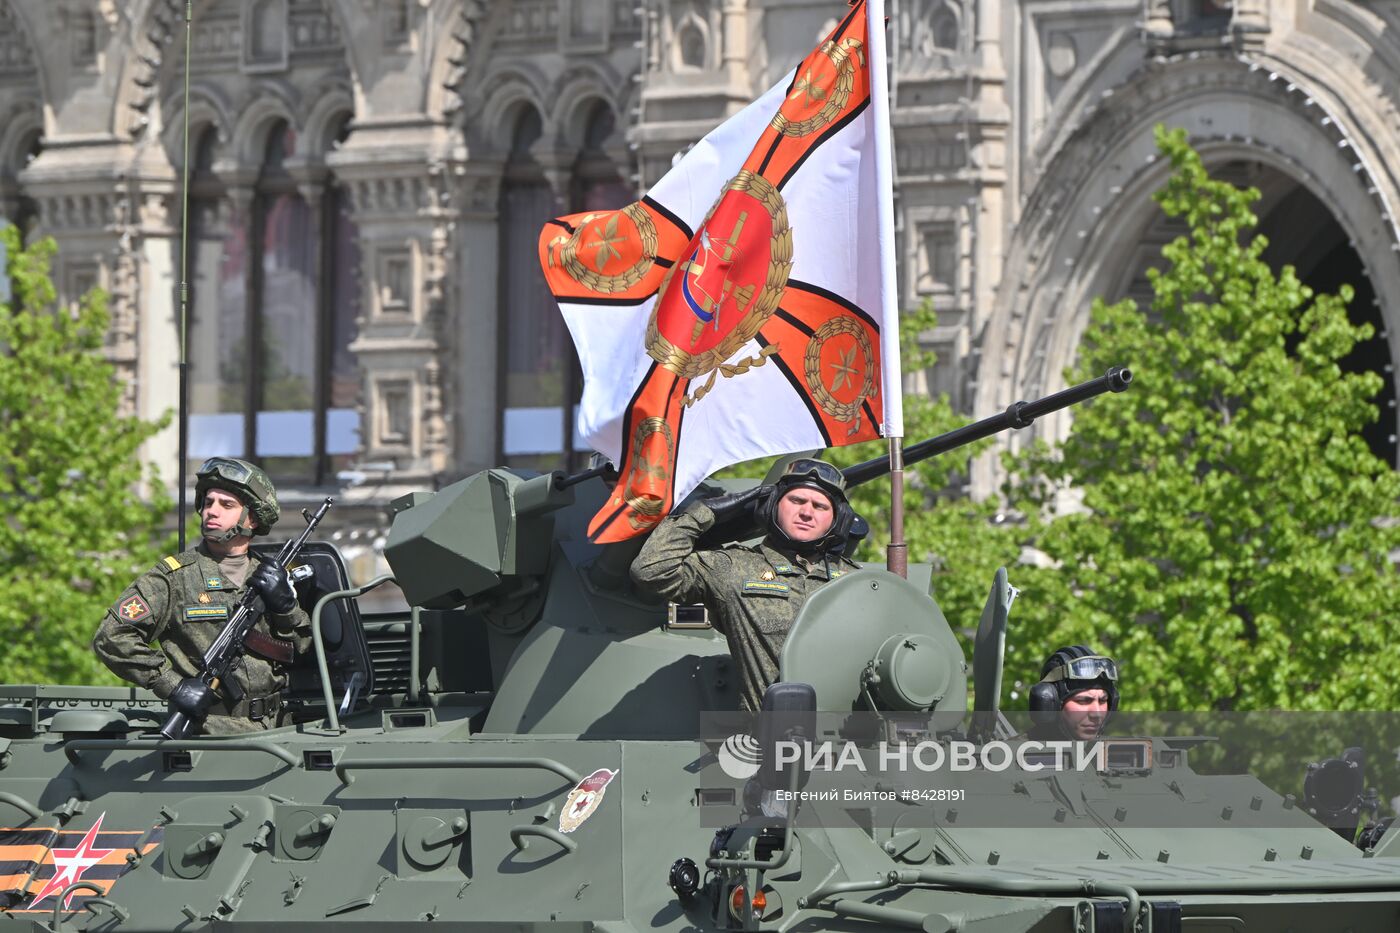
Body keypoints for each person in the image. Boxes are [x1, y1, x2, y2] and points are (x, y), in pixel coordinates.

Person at [93, 458, 311, 735]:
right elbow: (112, 636)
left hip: (278, 730)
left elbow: (303, 651)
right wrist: (173, 685)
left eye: (226, 505)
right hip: (210, 734)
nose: (212, 511)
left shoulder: (272, 577)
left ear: (253, 517)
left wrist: (286, 607)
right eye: (208, 503)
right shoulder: (174, 578)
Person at [631, 458, 860, 712]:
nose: (806, 512)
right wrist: (703, 513)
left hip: (848, 743)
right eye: (796, 501)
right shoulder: (734, 568)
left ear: (837, 519)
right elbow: (651, 571)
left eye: (820, 506)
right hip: (764, 741)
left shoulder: (855, 582)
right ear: (772, 505)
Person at [1027, 645, 1119, 741]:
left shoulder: (1113, 752)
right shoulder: (1016, 753)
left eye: (1103, 700)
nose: (1097, 714)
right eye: (1083, 701)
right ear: (1051, 704)